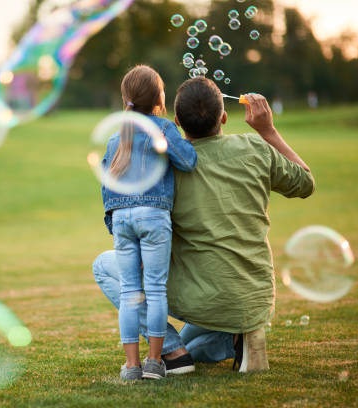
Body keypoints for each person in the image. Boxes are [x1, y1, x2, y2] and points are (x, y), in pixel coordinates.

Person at [93, 77, 315, 375]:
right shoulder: (255, 147)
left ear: (176, 121)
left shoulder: (168, 168)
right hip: (253, 297)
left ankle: (172, 353)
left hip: (203, 294)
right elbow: (305, 182)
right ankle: (241, 335)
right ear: (223, 117)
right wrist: (267, 131)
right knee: (194, 342)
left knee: (106, 265)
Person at [101, 65, 198, 380]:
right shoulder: (164, 129)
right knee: (155, 290)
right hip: (154, 216)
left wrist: (114, 224)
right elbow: (188, 161)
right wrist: (174, 131)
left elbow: (107, 185)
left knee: (130, 291)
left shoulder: (117, 138)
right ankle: (156, 362)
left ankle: (131, 367)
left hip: (122, 220)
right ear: (160, 97)